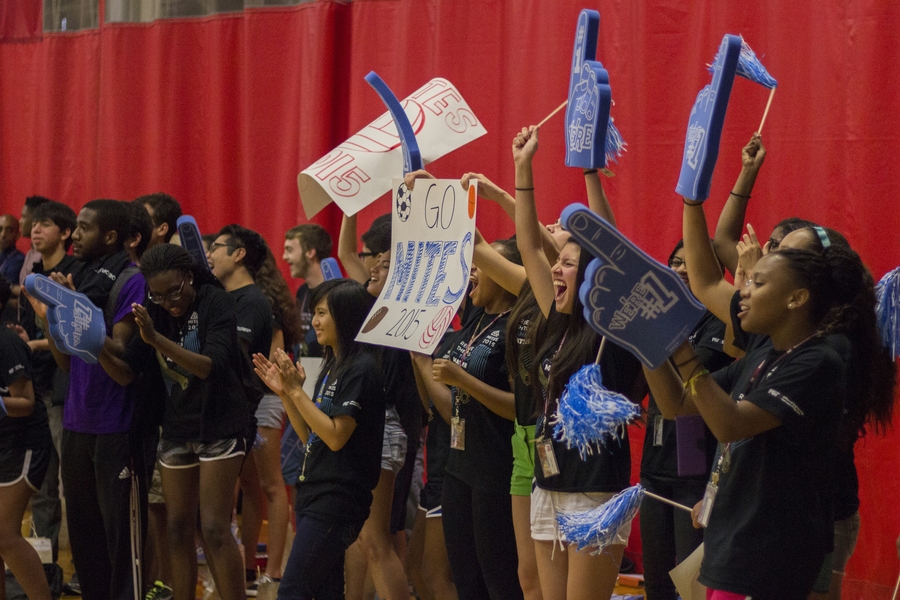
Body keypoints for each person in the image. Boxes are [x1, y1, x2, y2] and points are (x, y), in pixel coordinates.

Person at [643, 243, 895, 600]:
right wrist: (646, 344)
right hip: (733, 541)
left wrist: (681, 349)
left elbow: (730, 424)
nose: (743, 290)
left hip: (771, 551)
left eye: (758, 284)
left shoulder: (819, 361)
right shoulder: (764, 354)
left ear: (797, 298)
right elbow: (678, 404)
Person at [512, 125, 643, 600]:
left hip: (595, 492)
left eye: (568, 262)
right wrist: (522, 169)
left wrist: (590, 172)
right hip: (548, 483)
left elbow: (615, 253)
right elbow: (529, 245)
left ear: (592, 275)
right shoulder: (555, 319)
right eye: (558, 261)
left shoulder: (614, 327)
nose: (555, 268)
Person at [99, 243, 251, 600]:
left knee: (213, 527)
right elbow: (127, 372)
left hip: (220, 425)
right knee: (178, 528)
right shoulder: (155, 309)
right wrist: (94, 349)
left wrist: (156, 339)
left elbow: (209, 365)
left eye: (175, 292)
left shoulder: (215, 301)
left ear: (188, 276)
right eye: (159, 295)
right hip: (177, 429)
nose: (169, 302)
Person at [25, 199, 147, 600]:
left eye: (84, 227)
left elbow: (124, 364)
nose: (75, 234)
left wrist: (85, 320)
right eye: (75, 226)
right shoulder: (79, 277)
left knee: (120, 541)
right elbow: (65, 362)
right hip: (77, 420)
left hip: (116, 425)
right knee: (84, 538)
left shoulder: (132, 280)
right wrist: (55, 316)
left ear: (110, 236)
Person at [252, 278, 387, 599]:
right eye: (314, 312)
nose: (314, 321)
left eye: (322, 312)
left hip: (336, 501)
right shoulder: (334, 365)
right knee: (325, 592)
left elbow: (337, 437)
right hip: (316, 494)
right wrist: (287, 395)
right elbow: (313, 437)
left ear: (347, 315)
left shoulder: (362, 368)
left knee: (293, 590)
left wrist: (297, 392)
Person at [639, 241, 733, 600]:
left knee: (692, 582)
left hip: (695, 469)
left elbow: (692, 384)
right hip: (654, 465)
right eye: (674, 262)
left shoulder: (719, 323)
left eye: (689, 263)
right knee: (656, 580)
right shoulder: (658, 315)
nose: (680, 269)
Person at [338, 212, 415, 600]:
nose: (372, 265)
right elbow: (345, 252)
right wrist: (351, 204)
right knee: (362, 537)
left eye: (385, 263)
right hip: (367, 423)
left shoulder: (403, 307)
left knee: (376, 539)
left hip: (386, 425)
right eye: (375, 259)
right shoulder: (371, 302)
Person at [11, 201, 82, 592]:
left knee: (72, 485)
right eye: (33, 225)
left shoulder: (72, 274)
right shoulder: (32, 272)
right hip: (35, 388)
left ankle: (80, 572)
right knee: (41, 488)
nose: (35, 231)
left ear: (66, 233)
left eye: (46, 225)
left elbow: (72, 335)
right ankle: (46, 569)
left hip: (63, 391)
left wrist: (34, 343)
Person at [207, 224, 275, 591]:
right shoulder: (219, 297)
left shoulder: (251, 302)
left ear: (238, 254)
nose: (209, 253)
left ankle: (244, 575)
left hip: (234, 415)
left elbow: (232, 359)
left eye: (216, 246)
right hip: (210, 414)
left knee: (222, 516)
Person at [243, 249, 302, 593]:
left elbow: (277, 359)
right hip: (242, 401)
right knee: (250, 486)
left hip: (264, 399)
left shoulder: (265, 304)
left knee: (270, 484)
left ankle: (275, 570)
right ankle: (249, 567)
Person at [0, 274, 52, 600]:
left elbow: (25, 403)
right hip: (4, 444)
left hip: (24, 446)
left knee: (4, 535)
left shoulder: (6, 343)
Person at [0, 214, 24, 289]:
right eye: (0, 229)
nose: (3, 234)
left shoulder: (19, 260)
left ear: (17, 235)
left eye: (9, 230)